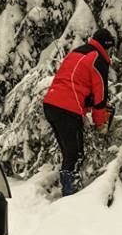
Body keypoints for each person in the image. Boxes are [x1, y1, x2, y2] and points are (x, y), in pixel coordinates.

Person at [43, 28, 117, 196]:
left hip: (51, 104)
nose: (110, 53)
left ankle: (68, 190)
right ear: (106, 46)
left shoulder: (79, 52)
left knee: (69, 153)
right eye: (110, 49)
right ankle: (70, 195)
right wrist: (100, 123)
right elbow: (100, 97)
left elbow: (75, 83)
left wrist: (87, 105)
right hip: (66, 108)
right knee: (75, 154)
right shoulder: (98, 59)